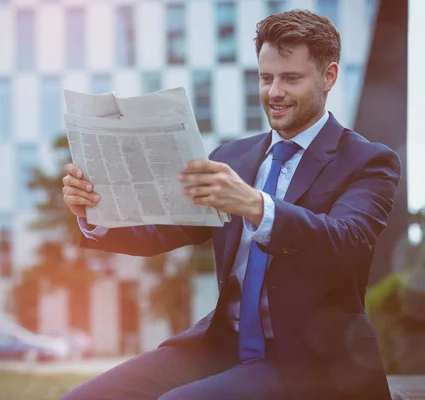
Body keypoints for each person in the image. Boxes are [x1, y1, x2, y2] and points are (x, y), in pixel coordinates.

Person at [60, 9, 400, 400]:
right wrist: (96, 214)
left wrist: (256, 205)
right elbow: (166, 228)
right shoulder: (233, 157)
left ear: (329, 77)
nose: (274, 92)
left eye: (291, 78)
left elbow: (347, 242)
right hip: (220, 346)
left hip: (311, 361)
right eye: (266, 77)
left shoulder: (368, 160)